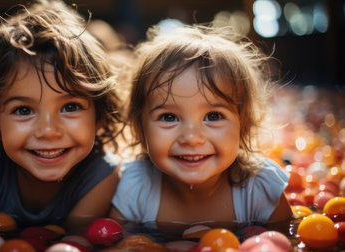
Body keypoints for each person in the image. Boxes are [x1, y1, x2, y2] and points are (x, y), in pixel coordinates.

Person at [0, 0, 123, 247]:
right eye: (23, 110)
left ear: (99, 117)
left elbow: (74, 243)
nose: (48, 131)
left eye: (70, 107)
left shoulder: (103, 175)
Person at [110, 23, 293, 230]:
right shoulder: (134, 188)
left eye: (213, 116)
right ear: (139, 128)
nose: (191, 137)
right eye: (169, 117)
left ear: (244, 125)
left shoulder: (259, 189)